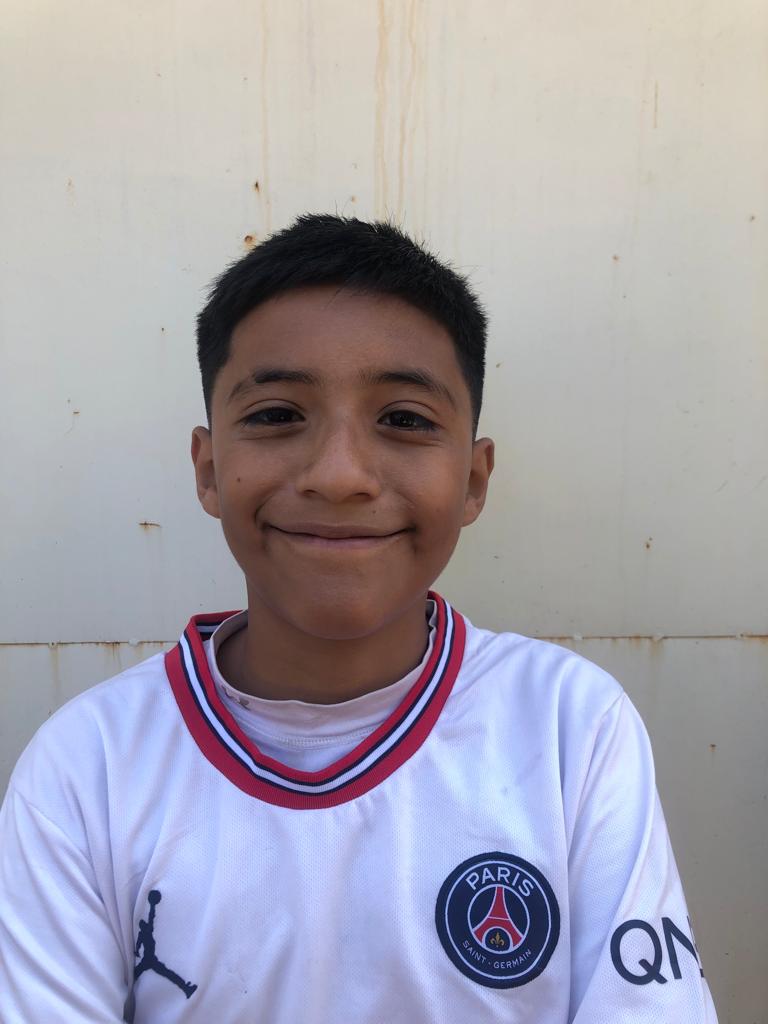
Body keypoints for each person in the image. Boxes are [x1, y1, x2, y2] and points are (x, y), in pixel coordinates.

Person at [0, 214, 717, 1022]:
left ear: (474, 479)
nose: (339, 475)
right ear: (207, 470)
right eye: (277, 414)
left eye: (404, 419)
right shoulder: (87, 766)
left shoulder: (568, 726)